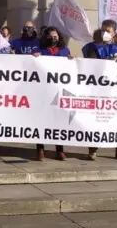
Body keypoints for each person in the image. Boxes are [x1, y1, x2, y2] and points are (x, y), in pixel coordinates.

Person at [83, 20, 117, 161]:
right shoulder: (94, 47)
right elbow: (89, 64)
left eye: (108, 31)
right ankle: (93, 150)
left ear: (114, 33)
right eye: (103, 30)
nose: (104, 33)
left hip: (116, 91)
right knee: (96, 120)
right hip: (98, 89)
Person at [33, 26, 71, 161]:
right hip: (43, 91)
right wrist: (34, 58)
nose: (53, 38)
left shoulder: (64, 51)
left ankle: (60, 149)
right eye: (50, 36)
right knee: (42, 120)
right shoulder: (39, 51)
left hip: (59, 90)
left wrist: (72, 60)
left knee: (58, 120)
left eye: (55, 36)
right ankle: (40, 149)